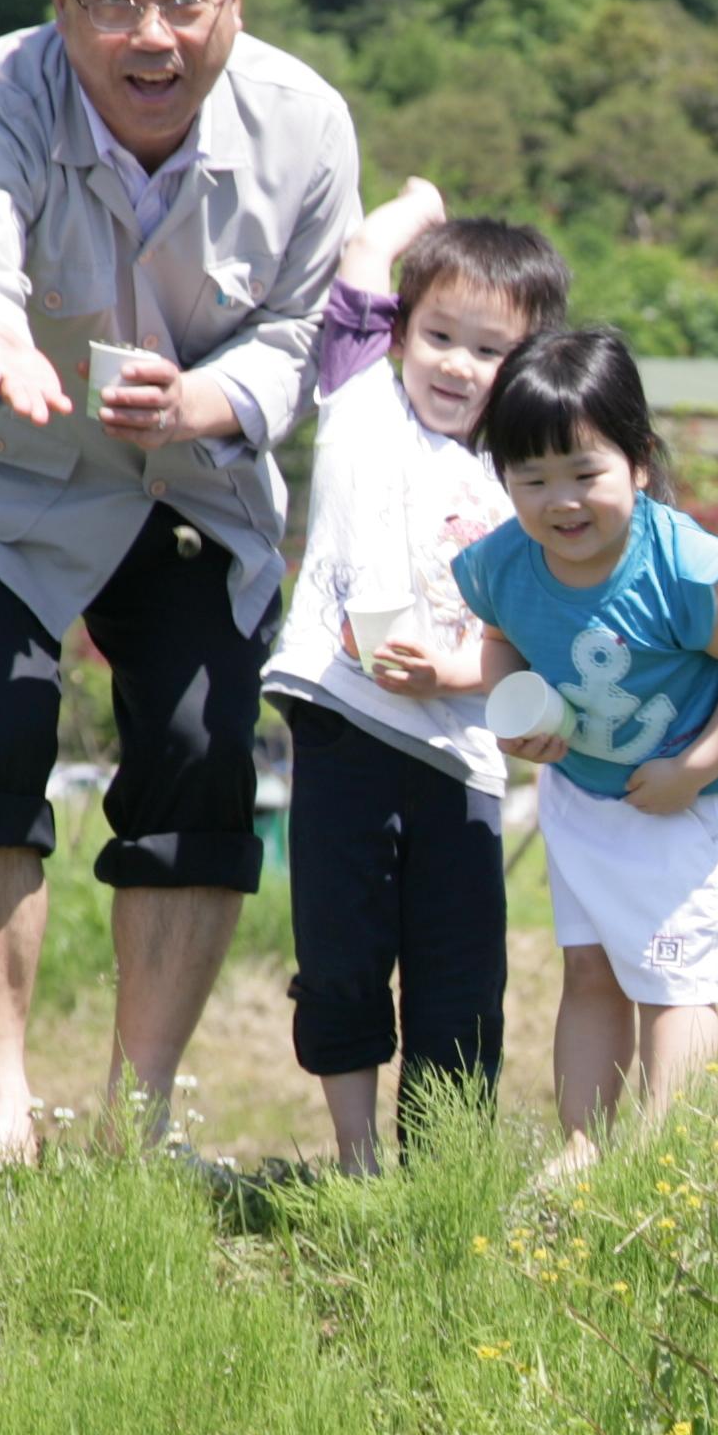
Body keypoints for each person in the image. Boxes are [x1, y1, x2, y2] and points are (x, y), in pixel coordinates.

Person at [0, 0, 362, 1170]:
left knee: (201, 755)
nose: (151, 35)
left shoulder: (307, 125)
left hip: (187, 472)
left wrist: (208, 403)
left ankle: (141, 1121)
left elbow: (307, 328)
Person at [450, 328, 718, 1177]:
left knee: (676, 986)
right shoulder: (503, 564)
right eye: (531, 479)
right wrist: (511, 708)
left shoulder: (684, 567)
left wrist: (695, 770)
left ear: (639, 461)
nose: (561, 501)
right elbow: (498, 640)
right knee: (591, 971)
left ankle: (657, 1157)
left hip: (700, 800)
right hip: (587, 795)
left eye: (584, 473)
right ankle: (583, 1148)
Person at [275, 186, 564, 1173]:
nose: (458, 364)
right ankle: (357, 1161)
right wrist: (419, 210)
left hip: (462, 757)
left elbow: (520, 640)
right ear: (399, 334)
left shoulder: (526, 480)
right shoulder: (359, 396)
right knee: (343, 959)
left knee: (459, 982)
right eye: (439, 334)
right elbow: (360, 256)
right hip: (343, 721)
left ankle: (442, 1183)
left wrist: (448, 670)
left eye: (490, 352)